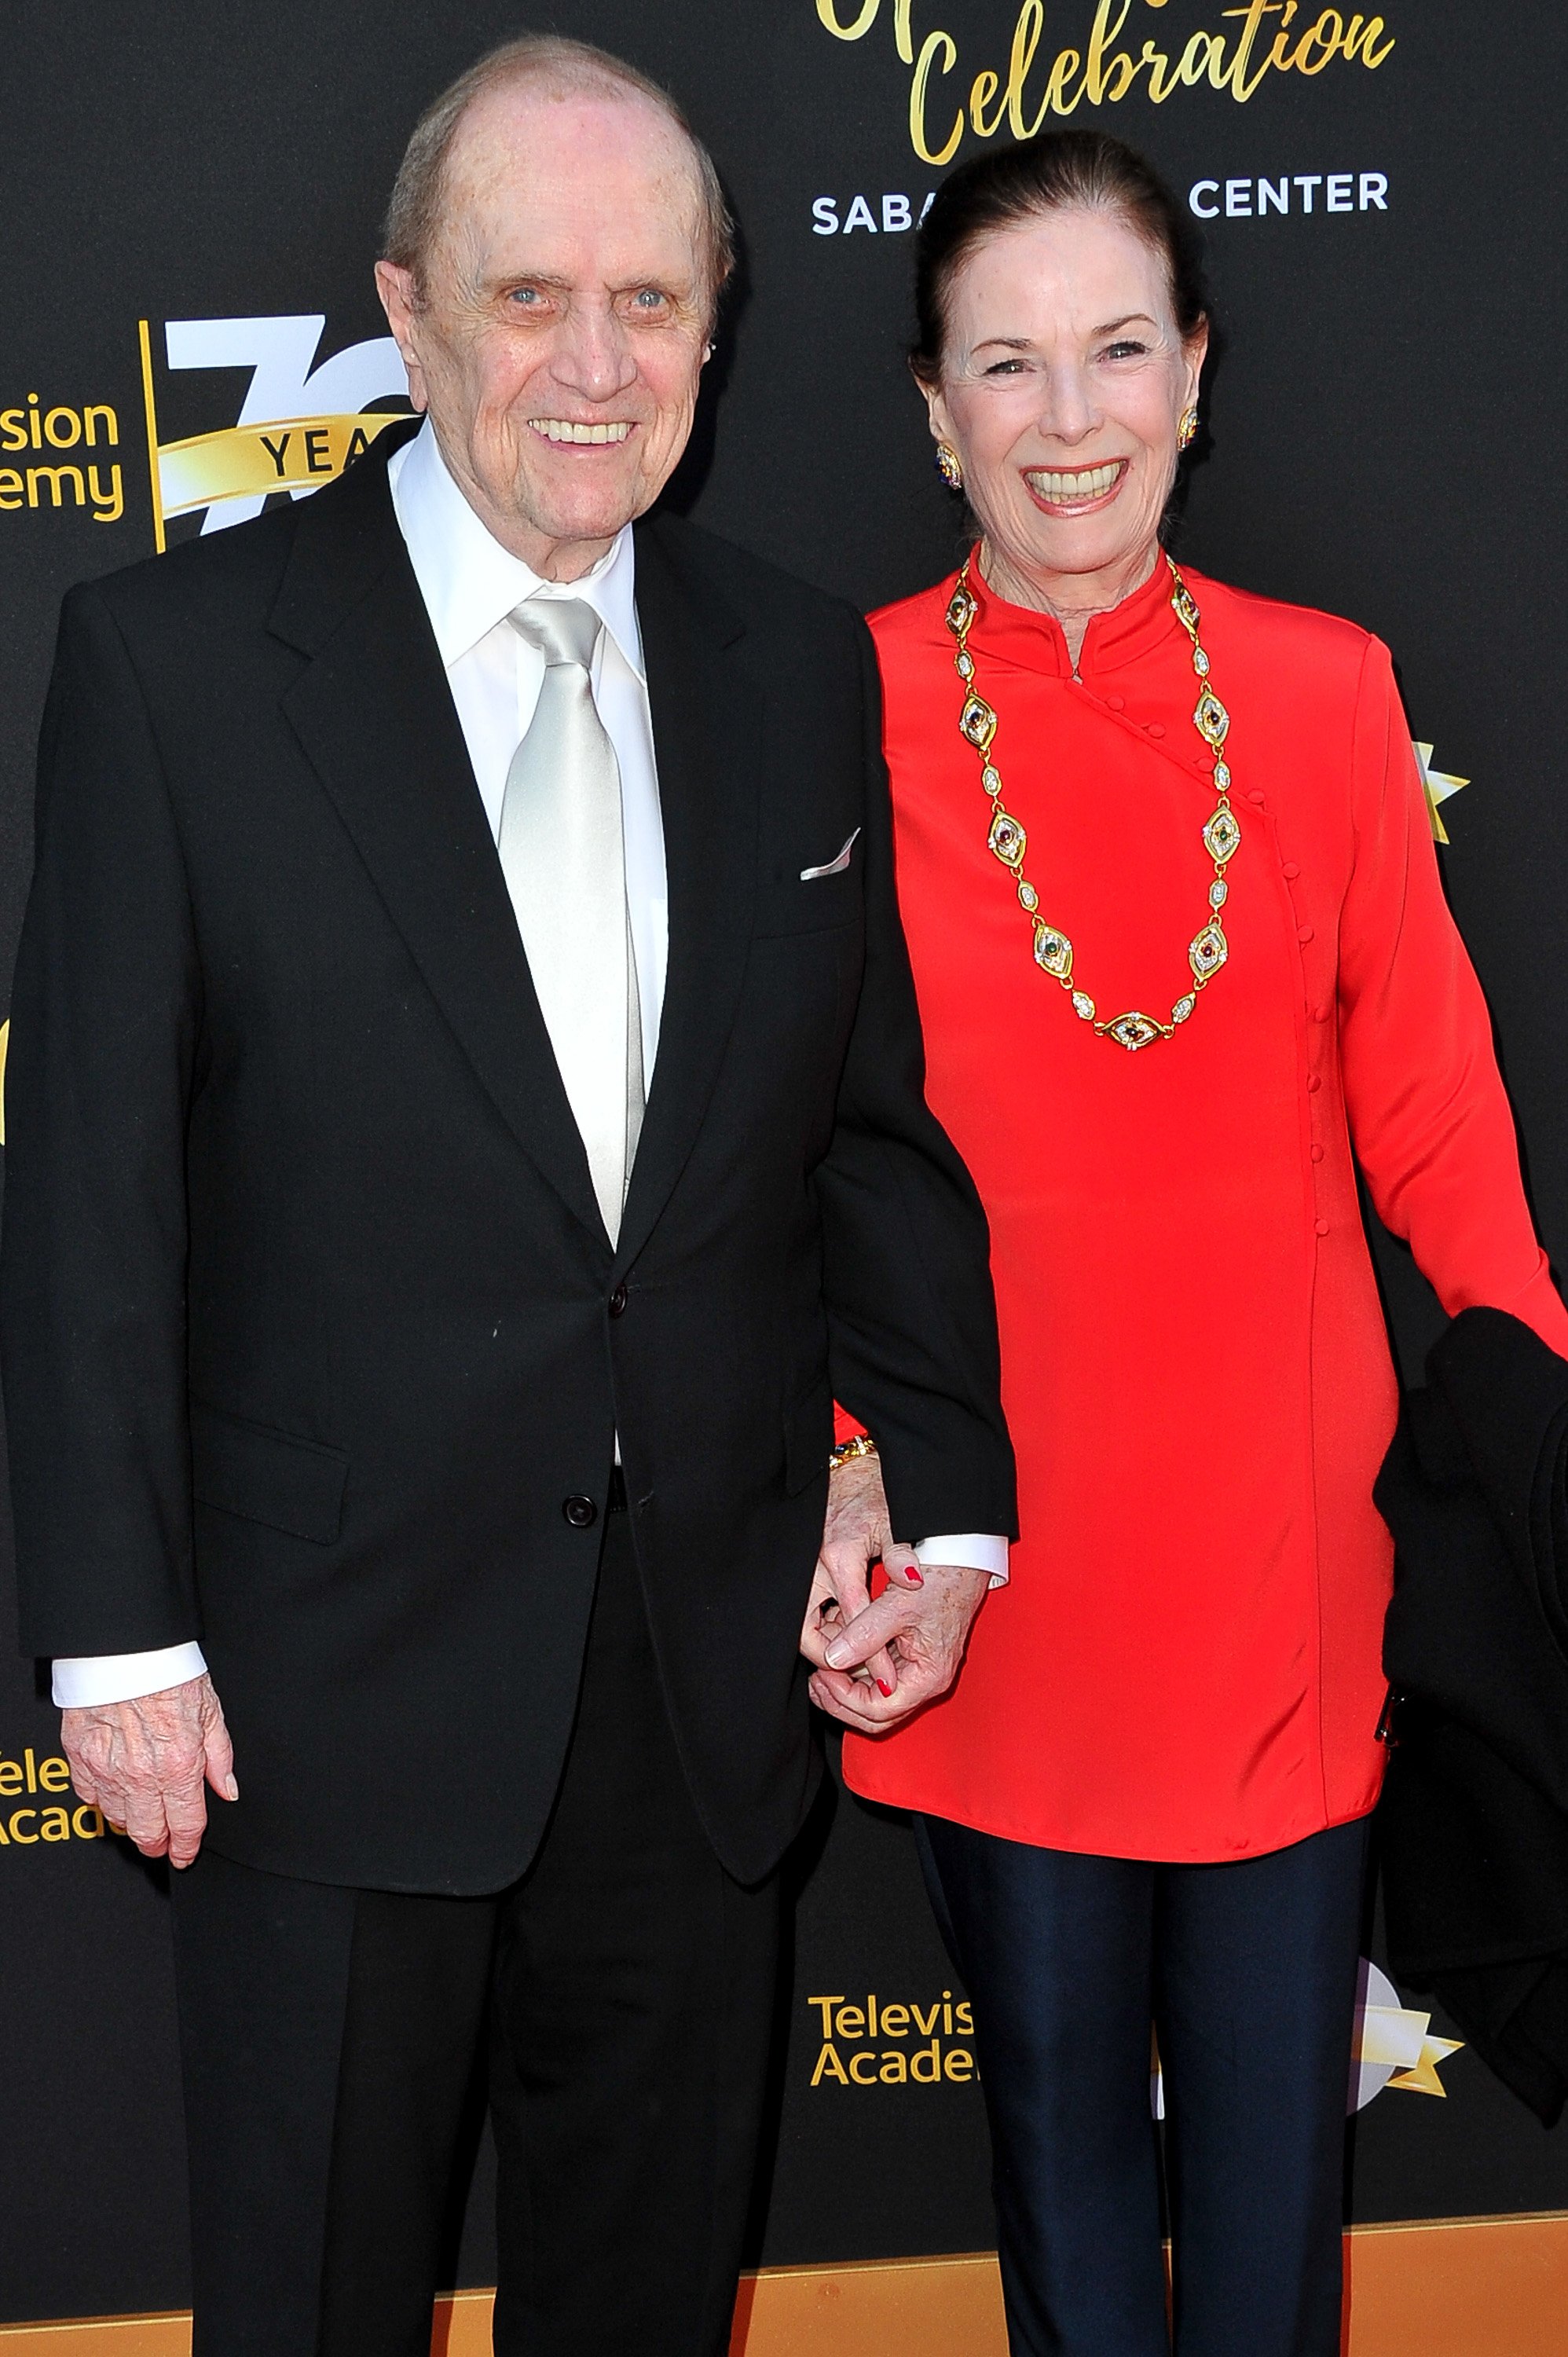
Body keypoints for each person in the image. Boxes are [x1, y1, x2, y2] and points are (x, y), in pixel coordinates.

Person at [0, 38, 1015, 2357]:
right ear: (407, 309)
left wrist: (939, 1504)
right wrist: (116, 1635)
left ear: (718, 326)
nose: (593, 364)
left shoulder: (782, 665)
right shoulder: (176, 670)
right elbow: (89, 1196)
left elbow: (857, 1132)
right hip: (317, 1701)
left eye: (652, 302)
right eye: (529, 293)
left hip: (695, 1697)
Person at [808, 130, 1568, 2357]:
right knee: (1057, 2184)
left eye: (1116, 350)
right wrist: (856, 1469)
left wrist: (1528, 1428)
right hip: (992, 1569)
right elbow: (770, 1174)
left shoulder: (1326, 694)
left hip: (1283, 1570)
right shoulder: (821, 716)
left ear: (1195, 374)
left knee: (1268, 2214)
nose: (1068, 421)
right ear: (931, 409)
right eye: (1006, 365)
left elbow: (1435, 1123)